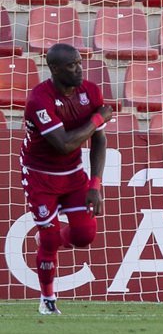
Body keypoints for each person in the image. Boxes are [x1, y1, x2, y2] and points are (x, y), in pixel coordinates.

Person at [21, 43, 114, 315]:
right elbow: (64, 144)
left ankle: (48, 238)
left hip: (73, 175)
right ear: (54, 68)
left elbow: (99, 141)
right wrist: (98, 119)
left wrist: (95, 185)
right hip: (39, 176)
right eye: (72, 65)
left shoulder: (91, 91)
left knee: (85, 236)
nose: (79, 69)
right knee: (50, 242)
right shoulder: (39, 99)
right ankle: (48, 300)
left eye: (80, 62)